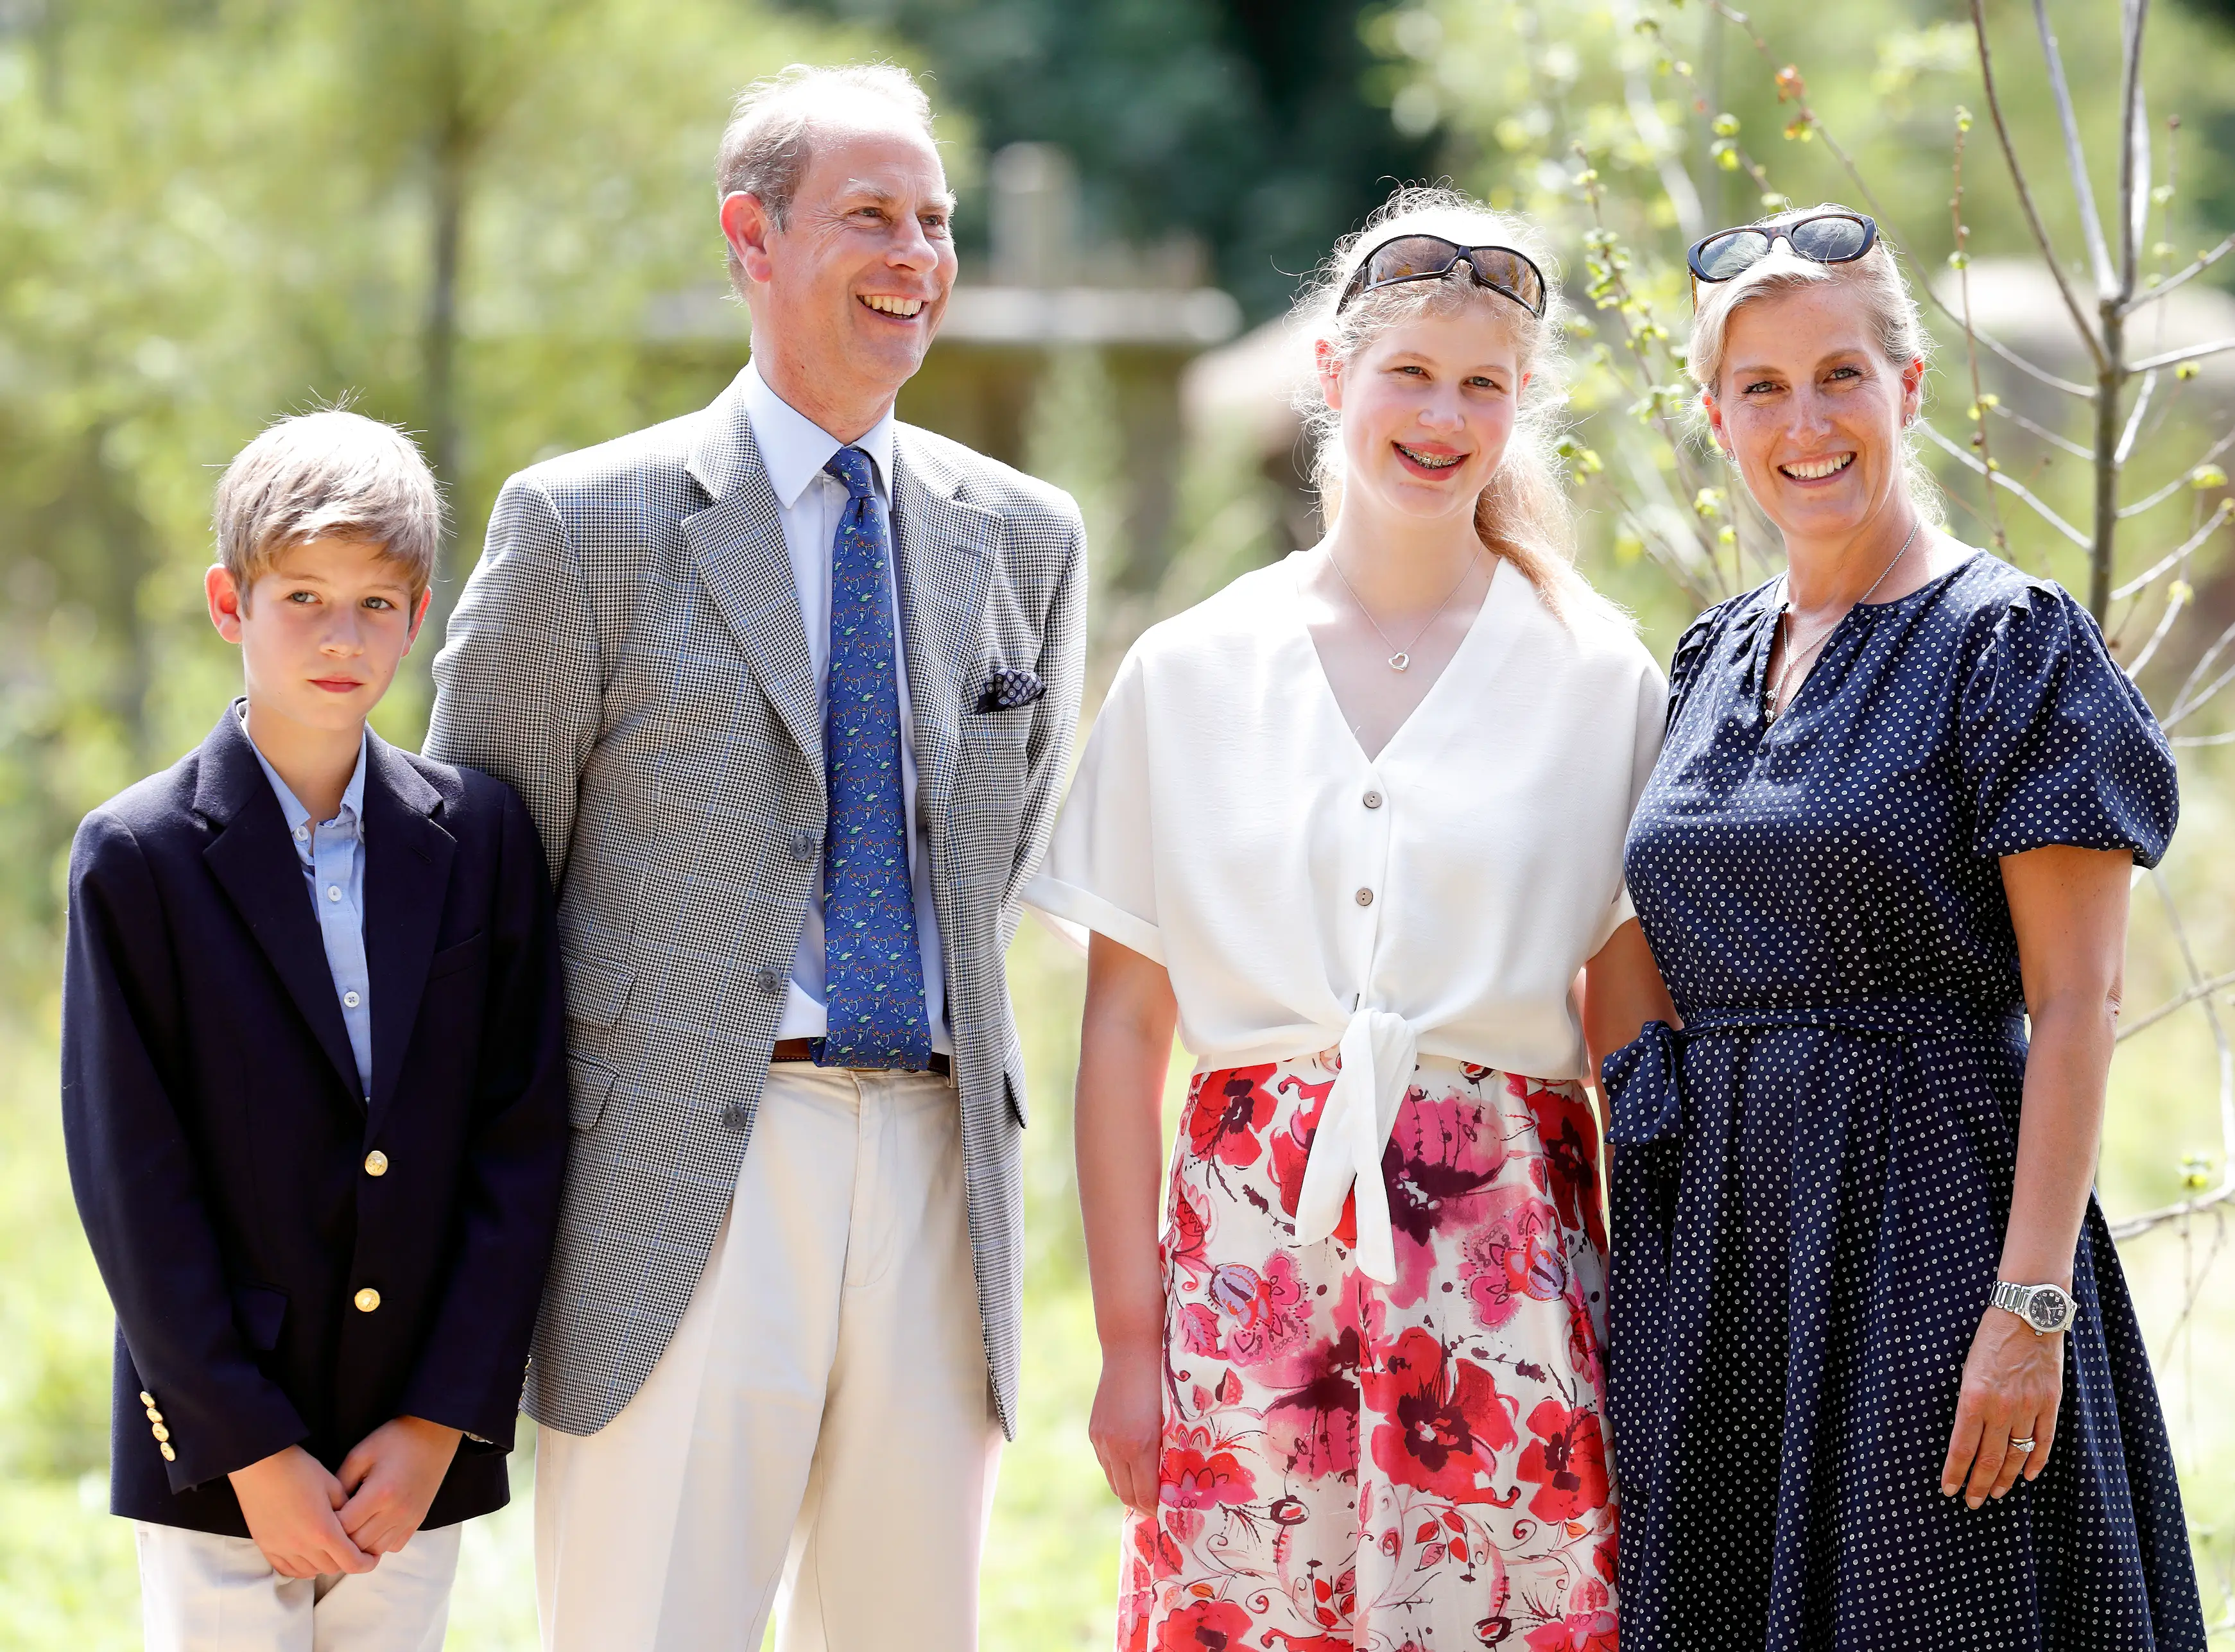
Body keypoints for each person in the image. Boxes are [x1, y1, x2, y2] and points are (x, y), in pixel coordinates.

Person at [423, 62, 1086, 1652]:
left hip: (940, 1175)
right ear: (751, 235)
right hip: (673, 1185)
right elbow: (471, 907)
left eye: (935, 220)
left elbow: (993, 870)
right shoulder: (584, 522)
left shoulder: (1029, 536)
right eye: (870, 215)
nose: (917, 254)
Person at [1026, 187, 1673, 1652]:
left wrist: (1651, 1327)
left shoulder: (1598, 678)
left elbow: (1630, 1034)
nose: (1443, 418)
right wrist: (1131, 1346)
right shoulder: (1189, 671)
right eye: (1411, 375)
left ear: (1521, 407)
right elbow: (1125, 1033)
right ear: (1333, 376)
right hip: (1252, 1269)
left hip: (1509, 1266)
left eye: (1483, 386)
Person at [1603, 204, 2208, 1649]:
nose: (1802, 423)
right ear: (1713, 416)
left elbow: (2078, 1002)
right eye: (1759, 388)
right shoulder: (1708, 654)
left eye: (1839, 377)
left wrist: (2030, 1309)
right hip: (1727, 1260)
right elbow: (1642, 941)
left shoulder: (2008, 642)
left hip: (1932, 1244)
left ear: (1908, 388)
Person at [60, 409, 569, 1652]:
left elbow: (520, 1142)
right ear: (229, 602)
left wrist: (444, 1421)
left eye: (376, 604)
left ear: (420, 610)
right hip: (220, 1454)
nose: (342, 638)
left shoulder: (482, 838)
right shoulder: (137, 858)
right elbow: (133, 1181)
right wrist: (246, 1447)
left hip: (410, 1445)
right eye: (303, 597)